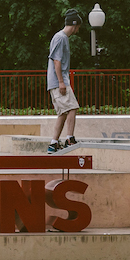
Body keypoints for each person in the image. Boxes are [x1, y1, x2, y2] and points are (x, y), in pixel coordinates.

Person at [48, 9, 82, 153]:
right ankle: (69, 138)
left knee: (63, 113)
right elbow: (57, 61)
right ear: (74, 25)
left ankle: (53, 143)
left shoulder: (62, 38)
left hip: (55, 81)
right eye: (78, 27)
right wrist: (61, 82)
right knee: (73, 107)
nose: (78, 29)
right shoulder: (60, 37)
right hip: (58, 82)